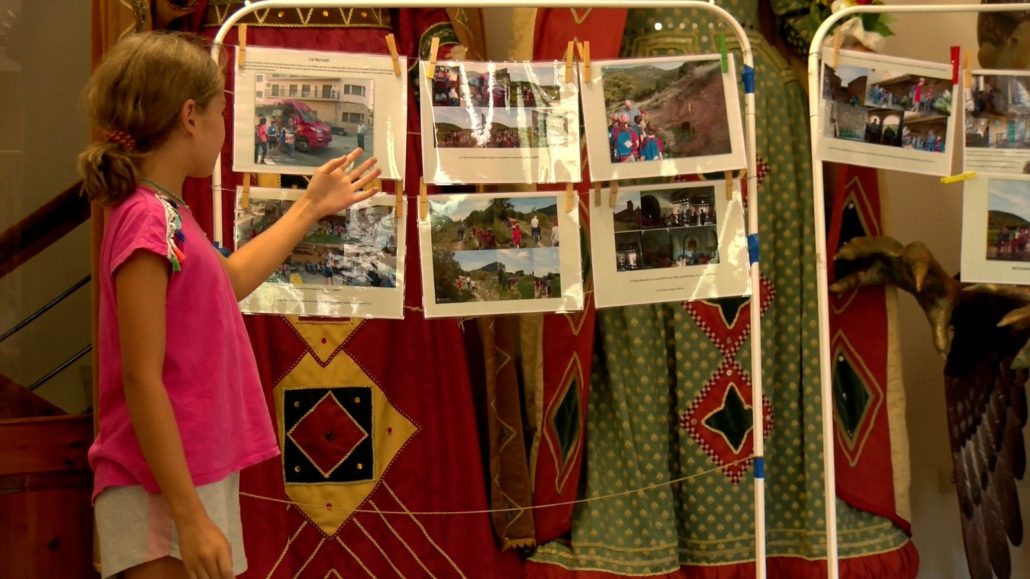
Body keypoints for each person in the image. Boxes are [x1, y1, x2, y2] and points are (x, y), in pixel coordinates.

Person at [77, 31, 380, 579]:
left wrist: (309, 206)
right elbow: (141, 379)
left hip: (185, 479)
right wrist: (190, 519)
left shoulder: (168, 213)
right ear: (191, 116)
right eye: (222, 107)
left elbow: (229, 280)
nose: (225, 122)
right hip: (160, 490)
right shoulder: (149, 219)